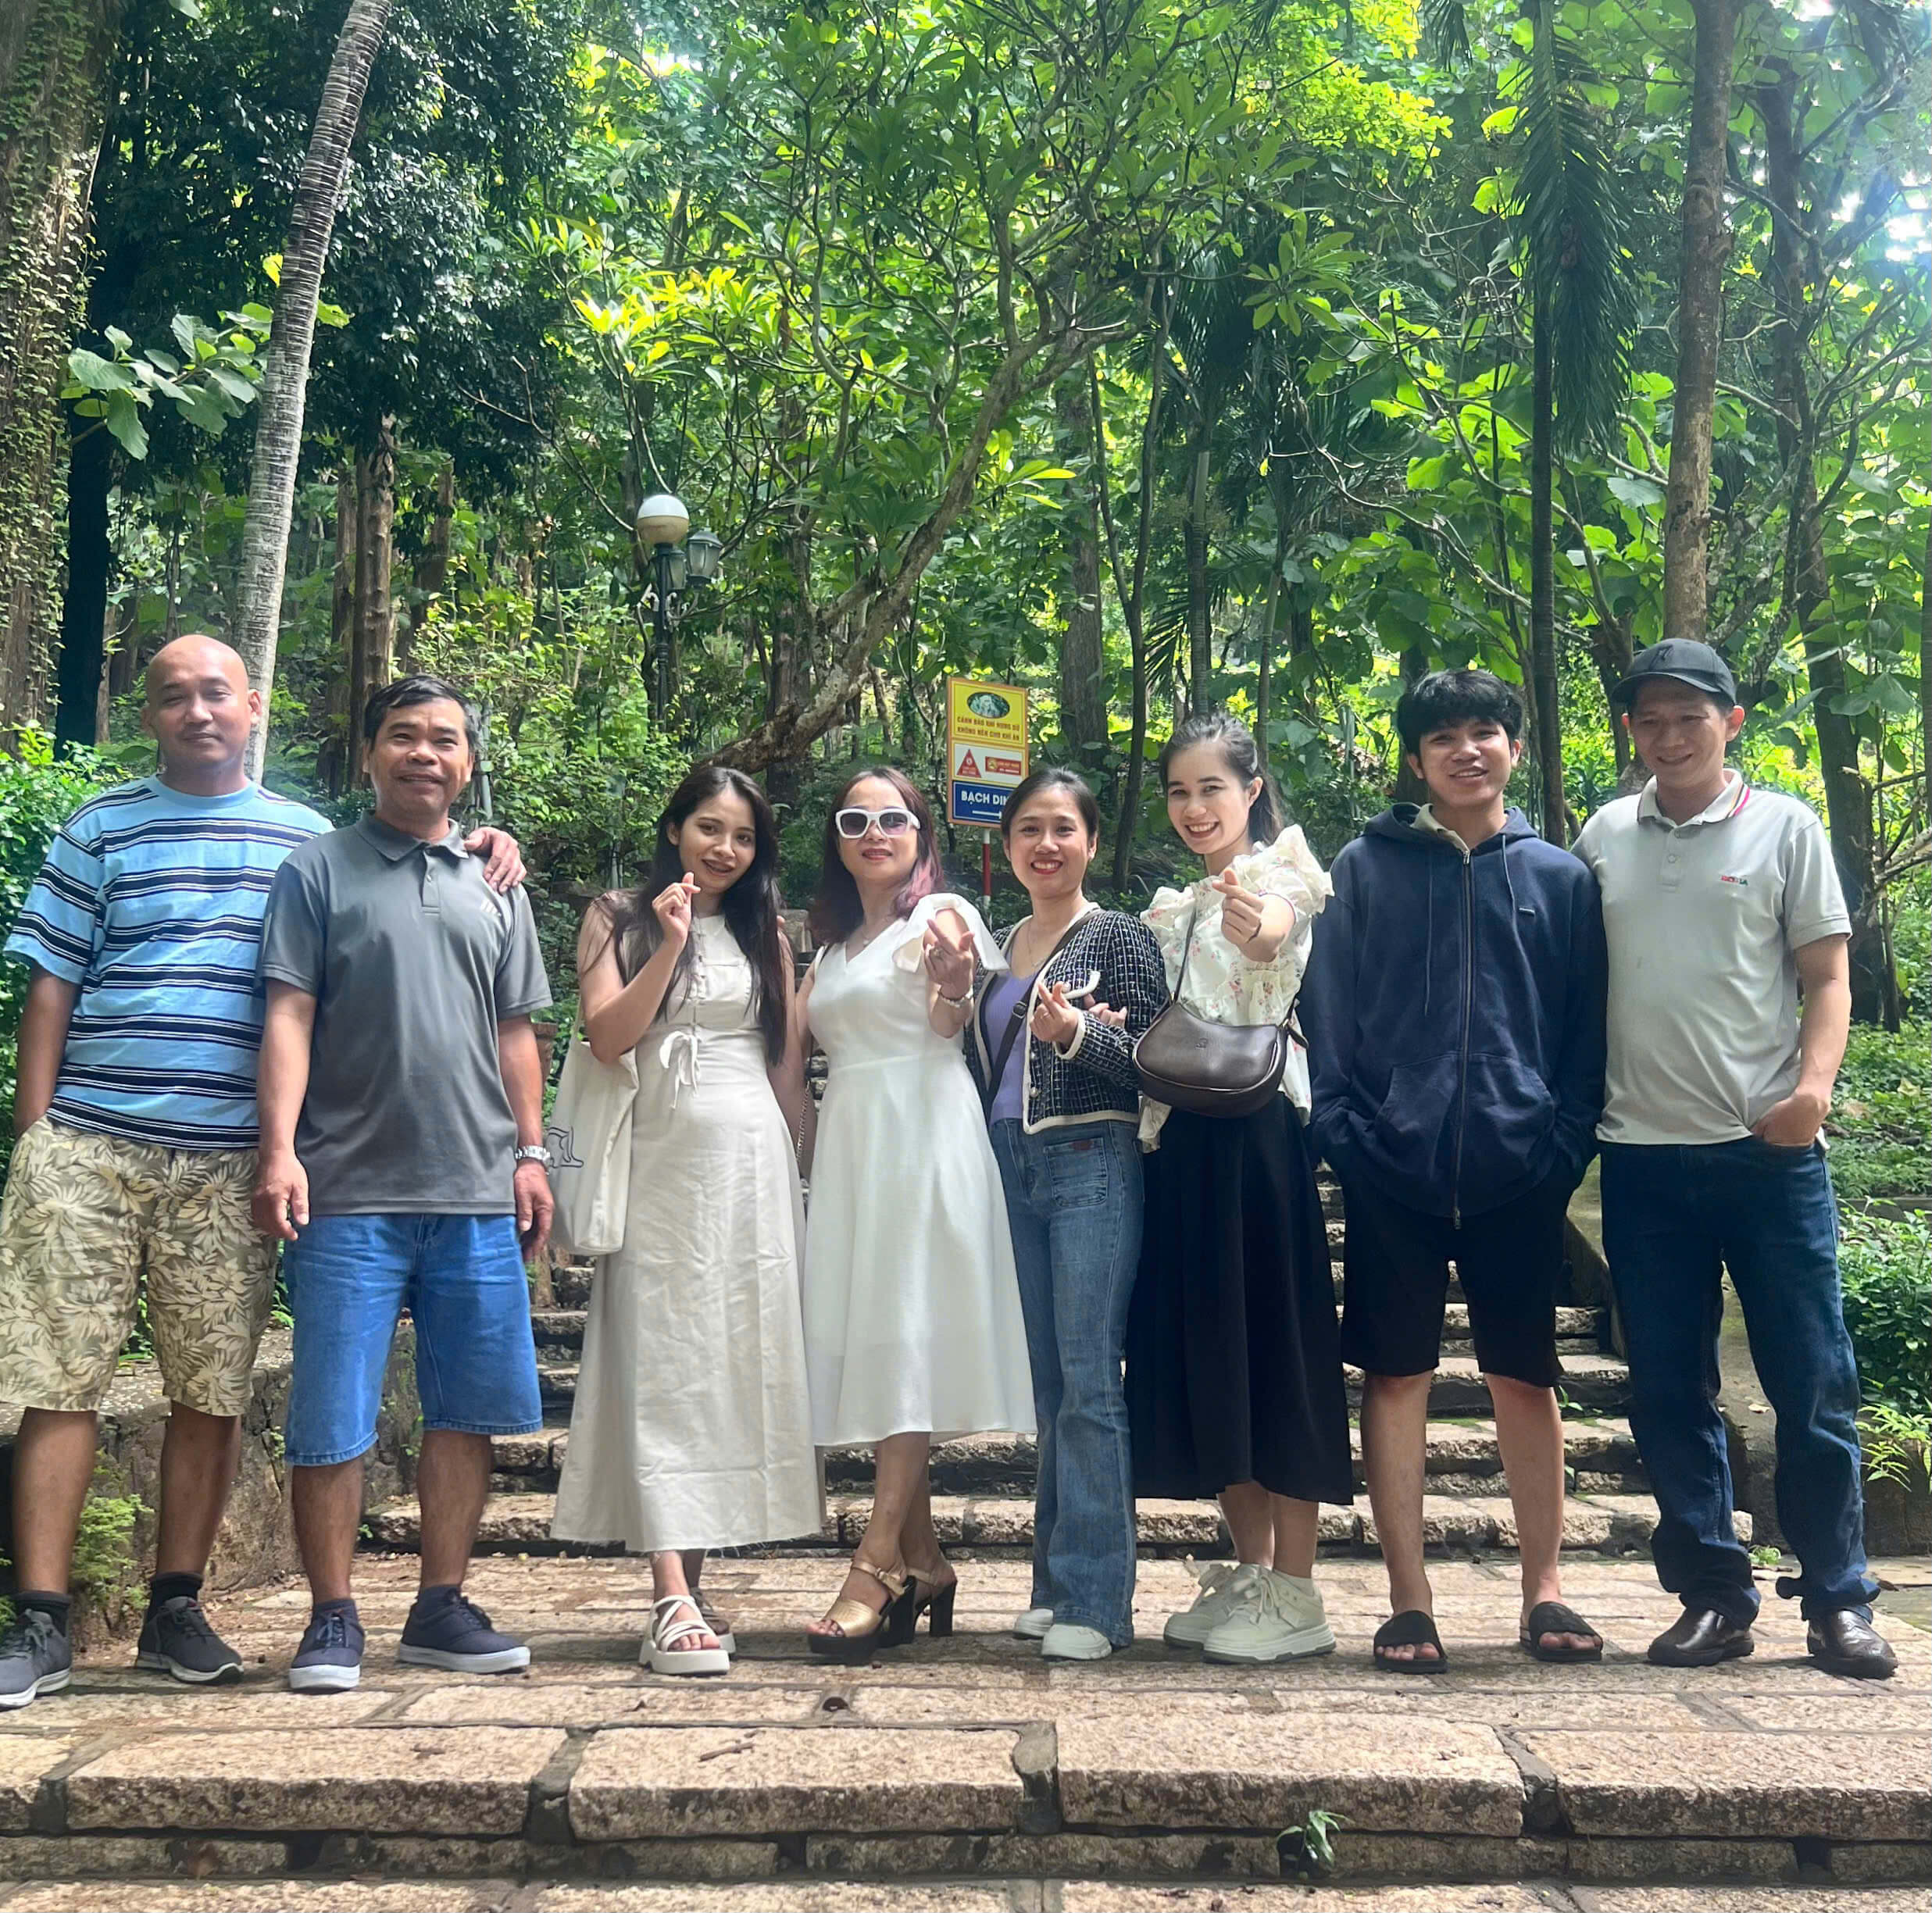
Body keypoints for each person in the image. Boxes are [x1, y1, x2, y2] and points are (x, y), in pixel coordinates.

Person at [0, 637, 521, 1712]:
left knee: (212, 1386)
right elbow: (52, 986)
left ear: (253, 704)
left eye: (215, 693)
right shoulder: (105, 827)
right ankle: (42, 1620)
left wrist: (488, 845)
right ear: (150, 714)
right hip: (95, 1142)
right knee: (60, 1380)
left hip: (232, 1158)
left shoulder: (306, 839)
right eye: (173, 696)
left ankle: (175, 1609)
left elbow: (423, 916)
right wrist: (36, 1133)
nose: (196, 711)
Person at [1573, 638, 1895, 1679]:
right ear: (1631, 729)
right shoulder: (1603, 836)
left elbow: (1827, 977)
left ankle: (1838, 1600)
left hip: (1766, 1156)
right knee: (1668, 1388)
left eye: (1690, 717)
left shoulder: (1784, 827)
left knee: (1812, 1382)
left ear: (1731, 722)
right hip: (1641, 1159)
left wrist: (1813, 1092)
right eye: (1650, 719)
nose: (1669, 736)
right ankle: (1713, 1596)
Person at [1300, 669, 1608, 1672]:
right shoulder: (1364, 869)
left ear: (1513, 746)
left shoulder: (1559, 878)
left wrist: (1562, 1144)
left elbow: (1583, 1028)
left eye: (1484, 731)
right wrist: (1347, 1135)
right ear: (1415, 757)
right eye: (1443, 737)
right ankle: (1408, 1597)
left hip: (1521, 1165)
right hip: (1392, 1165)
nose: (1465, 750)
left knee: (1525, 1373)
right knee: (1396, 1374)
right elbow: (1328, 1011)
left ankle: (1544, 1588)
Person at [253, 675, 554, 1694]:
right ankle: (331, 1613)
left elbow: (518, 1030)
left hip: (474, 1189)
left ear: (467, 765)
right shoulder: (316, 870)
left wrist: (532, 1153)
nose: (424, 753)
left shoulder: (495, 880)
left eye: (444, 740)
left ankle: (441, 1604)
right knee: (330, 1411)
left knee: (465, 1409)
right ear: (370, 753)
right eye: (403, 736)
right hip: (347, 1190)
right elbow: (289, 1013)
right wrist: (280, 1148)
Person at [550, 766, 820, 1675]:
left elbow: (786, 1067)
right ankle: (667, 1590)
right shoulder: (615, 917)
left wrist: (811, 1167)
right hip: (657, 1155)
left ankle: (689, 1588)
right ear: (674, 828)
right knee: (661, 1356)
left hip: (750, 1161)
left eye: (743, 837)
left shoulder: (764, 930)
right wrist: (667, 945)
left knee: (727, 1364)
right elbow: (606, 1036)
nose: (725, 849)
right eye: (710, 828)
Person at [1126, 711, 1352, 1665]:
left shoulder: (1282, 873)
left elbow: (1275, 936)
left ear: (1251, 790)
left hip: (1259, 1139)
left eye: (1211, 788)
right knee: (1212, 1351)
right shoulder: (1170, 908)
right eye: (1178, 791)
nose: (1193, 807)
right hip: (1182, 1142)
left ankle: (1296, 1589)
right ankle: (1251, 1570)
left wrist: (1261, 924)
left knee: (1275, 1347)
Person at [798, 766, 1033, 1660]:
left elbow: (948, 1019)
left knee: (901, 1339)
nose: (874, 833)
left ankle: (875, 1563)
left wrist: (954, 985)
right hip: (854, 1143)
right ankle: (926, 1560)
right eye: (854, 819)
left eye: (892, 818)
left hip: (923, 1135)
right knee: (878, 1339)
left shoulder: (942, 916)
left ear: (920, 833)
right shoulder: (828, 946)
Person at [962, 769, 1167, 1662]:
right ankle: (1053, 1587)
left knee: (1088, 1381)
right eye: (1029, 830)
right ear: (1007, 845)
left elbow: (1156, 1055)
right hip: (1007, 1165)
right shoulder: (998, 944)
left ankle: (1097, 1601)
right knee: (1046, 1385)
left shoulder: (1118, 935)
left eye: (1063, 829)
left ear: (1090, 841)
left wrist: (1076, 1035)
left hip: (1091, 1158)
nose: (1045, 845)